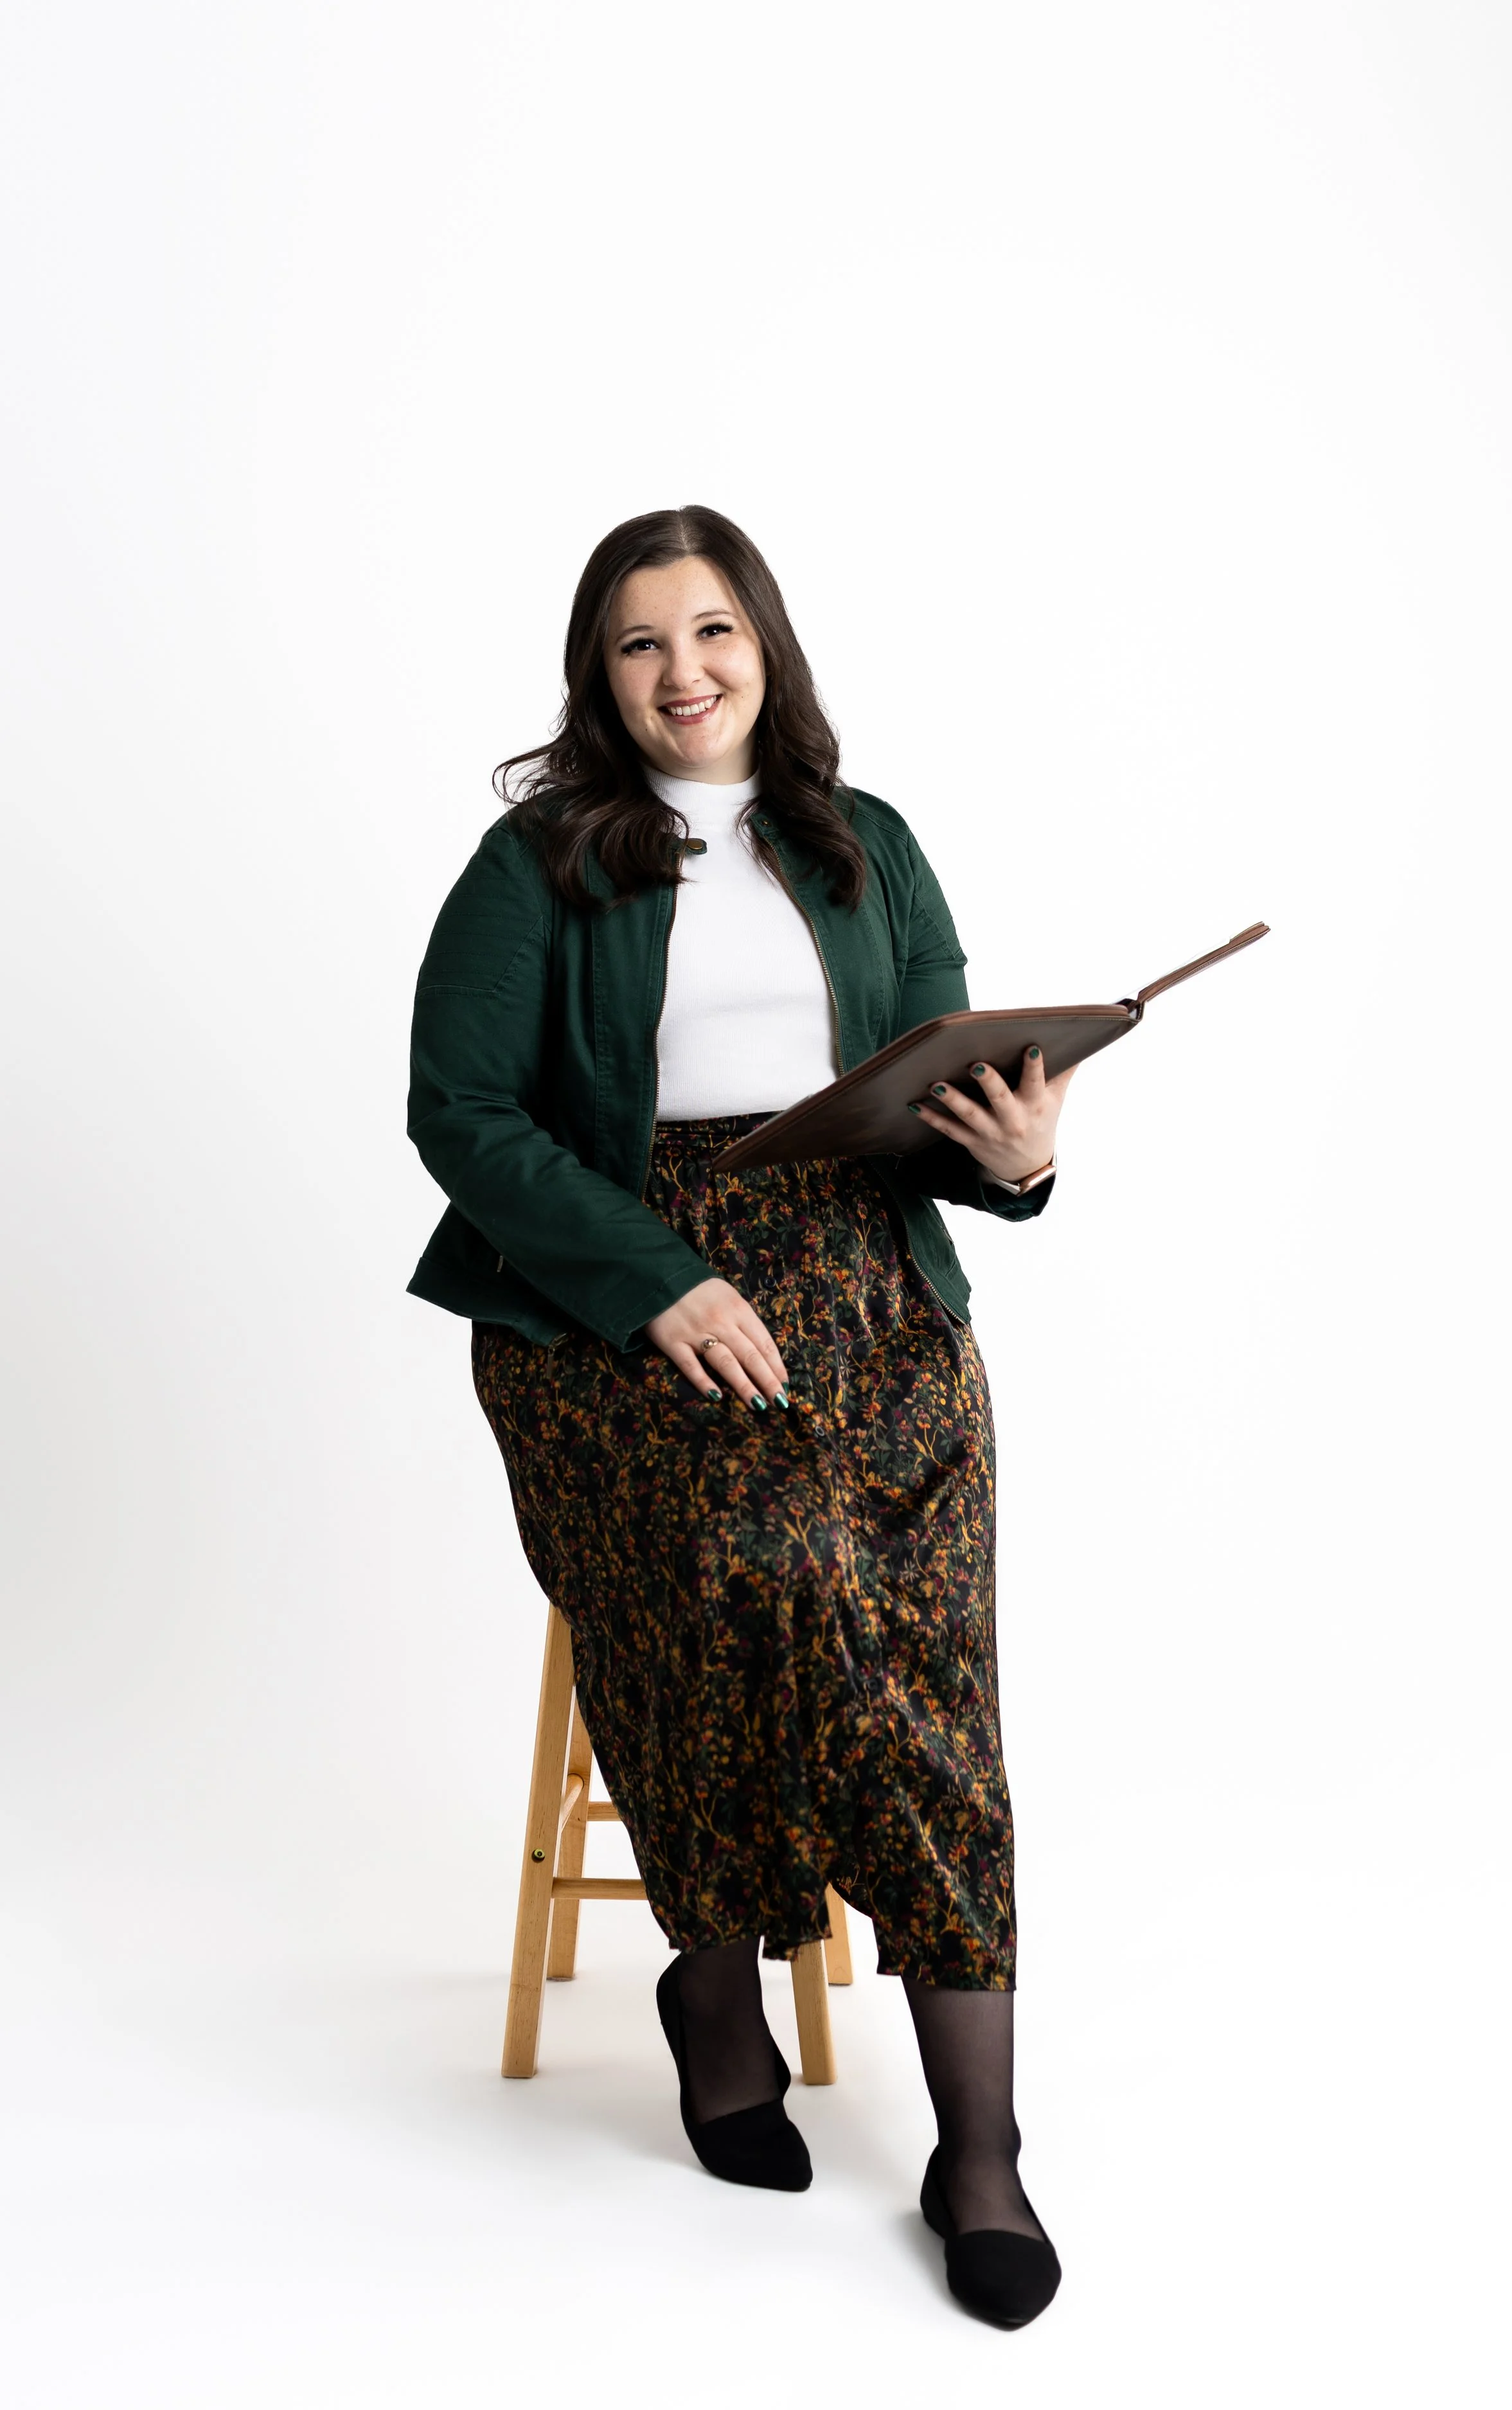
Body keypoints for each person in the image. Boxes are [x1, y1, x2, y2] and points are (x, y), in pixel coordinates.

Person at [406, 506, 1074, 2327]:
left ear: (764, 645)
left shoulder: (869, 843)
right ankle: (713, 1987)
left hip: (868, 1293)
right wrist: (657, 1283)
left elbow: (939, 1088)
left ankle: (981, 2148)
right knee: (762, 1577)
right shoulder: (536, 862)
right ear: (598, 674)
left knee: (923, 1662)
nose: (683, 671)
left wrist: (1015, 1157)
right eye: (640, 642)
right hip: (612, 1308)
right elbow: (464, 1110)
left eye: (712, 631)